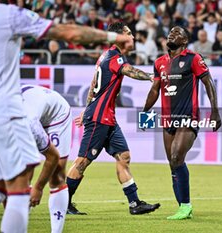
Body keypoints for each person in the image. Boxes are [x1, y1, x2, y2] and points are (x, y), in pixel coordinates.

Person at [0, 2, 132, 232]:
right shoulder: (9, 15)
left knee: (3, 183)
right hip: (11, 111)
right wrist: (38, 187)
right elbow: (69, 32)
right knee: (22, 185)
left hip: (34, 108)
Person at [66, 22, 161, 216]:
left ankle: (135, 203)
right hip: (100, 118)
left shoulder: (106, 56)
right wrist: (151, 77)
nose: (133, 37)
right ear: (119, 37)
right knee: (83, 161)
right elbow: (129, 70)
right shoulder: (113, 57)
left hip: (107, 118)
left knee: (123, 156)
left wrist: (86, 109)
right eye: (129, 34)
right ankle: (63, 202)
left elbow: (93, 85)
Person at [142, 26, 222, 220]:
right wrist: (145, 112)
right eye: (170, 32)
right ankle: (183, 207)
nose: (172, 34)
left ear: (184, 41)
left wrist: (215, 111)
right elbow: (155, 89)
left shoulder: (193, 58)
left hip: (188, 116)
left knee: (177, 156)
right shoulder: (160, 62)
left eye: (177, 33)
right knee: (172, 162)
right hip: (167, 118)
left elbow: (208, 82)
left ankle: (185, 206)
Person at [22, 84, 72, 233]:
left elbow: (52, 157)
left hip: (56, 116)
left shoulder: (29, 125)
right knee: (20, 177)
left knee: (56, 175)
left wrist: (38, 187)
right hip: (33, 106)